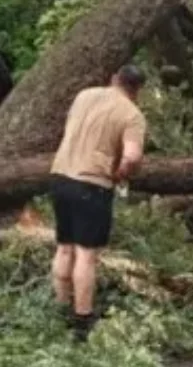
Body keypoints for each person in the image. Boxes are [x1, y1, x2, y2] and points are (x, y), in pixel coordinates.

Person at [48, 65, 148, 340]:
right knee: (86, 255)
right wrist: (120, 175)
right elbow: (132, 156)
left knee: (64, 248)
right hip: (92, 184)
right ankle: (82, 321)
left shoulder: (84, 95)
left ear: (114, 79)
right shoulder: (132, 115)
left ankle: (59, 308)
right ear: (137, 89)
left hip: (60, 176)